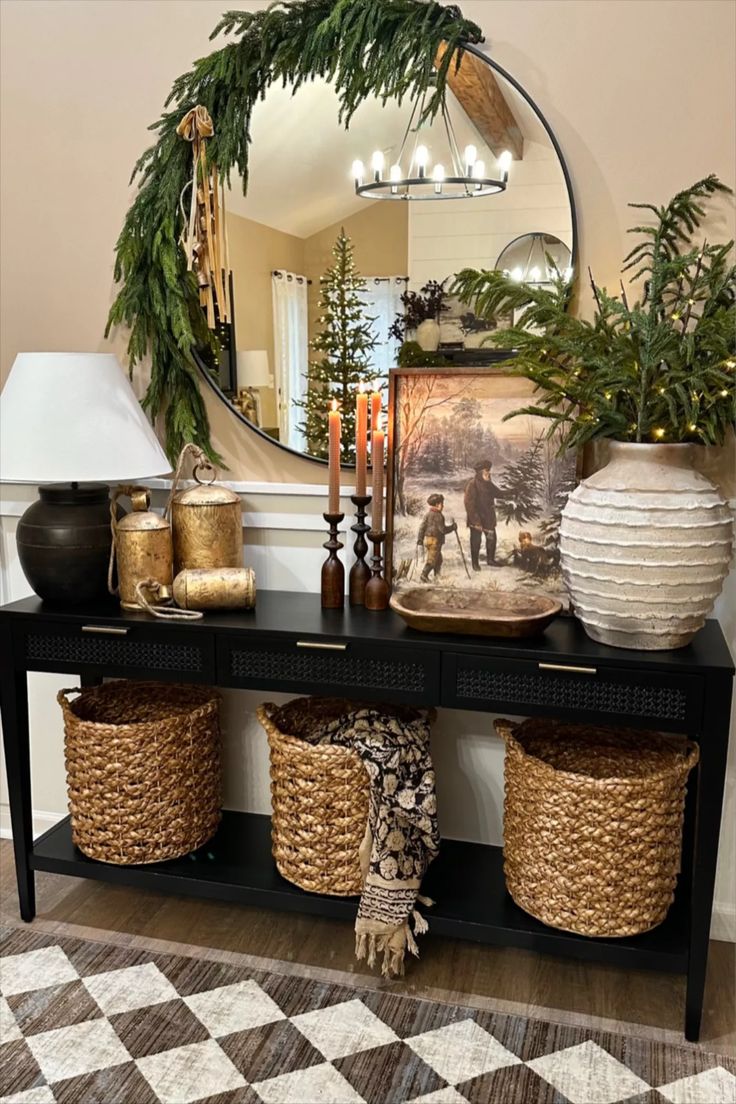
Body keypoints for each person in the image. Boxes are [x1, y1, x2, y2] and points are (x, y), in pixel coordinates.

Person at [463, 458, 510, 570]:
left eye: (488, 471)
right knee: (476, 541)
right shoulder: (472, 485)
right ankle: (475, 563)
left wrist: (512, 493)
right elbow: (469, 505)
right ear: (479, 472)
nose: (488, 473)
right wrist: (476, 522)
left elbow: (498, 493)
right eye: (486, 471)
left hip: (488, 518)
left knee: (491, 538)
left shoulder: (488, 484)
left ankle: (490, 560)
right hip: (476, 520)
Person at [417, 494, 457, 582]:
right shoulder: (439, 516)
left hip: (428, 540)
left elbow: (422, 527)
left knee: (438, 560)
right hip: (435, 541)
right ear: (437, 505)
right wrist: (452, 527)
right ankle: (423, 576)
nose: (443, 506)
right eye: (442, 504)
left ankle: (437, 577)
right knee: (432, 560)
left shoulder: (428, 514)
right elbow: (443, 530)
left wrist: (420, 540)